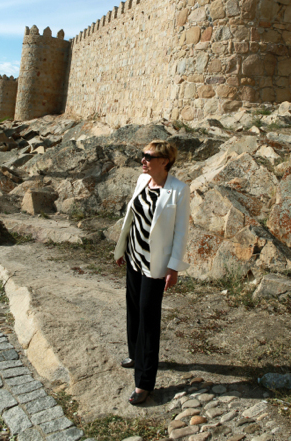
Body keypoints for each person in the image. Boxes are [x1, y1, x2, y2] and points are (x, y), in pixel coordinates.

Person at [114, 139, 190, 405]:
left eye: (148, 156)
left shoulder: (179, 190)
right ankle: (136, 353)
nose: (143, 160)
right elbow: (131, 217)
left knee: (148, 316)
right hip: (134, 255)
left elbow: (181, 231)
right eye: (142, 155)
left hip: (155, 263)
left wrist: (174, 266)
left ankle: (144, 381)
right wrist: (122, 248)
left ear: (165, 161)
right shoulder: (141, 181)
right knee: (133, 306)